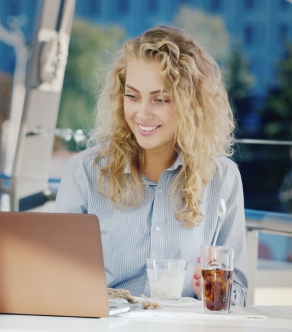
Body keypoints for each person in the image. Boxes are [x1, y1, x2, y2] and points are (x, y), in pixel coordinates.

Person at [54, 25, 248, 306]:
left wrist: (209, 287)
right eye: (132, 96)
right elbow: (56, 278)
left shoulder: (223, 177)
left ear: (192, 104)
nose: (142, 113)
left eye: (161, 99)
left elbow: (238, 295)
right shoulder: (84, 173)